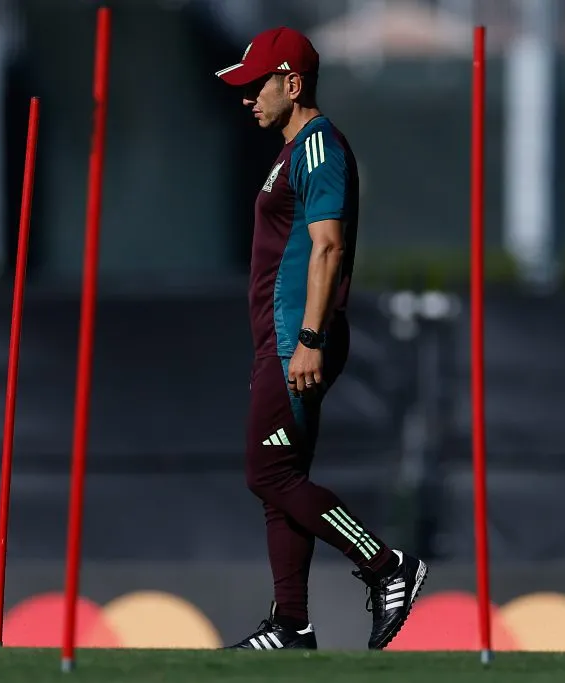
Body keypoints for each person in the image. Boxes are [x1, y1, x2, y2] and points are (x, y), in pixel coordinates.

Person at [214, 26, 427, 651]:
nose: (247, 97)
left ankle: (388, 566)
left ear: (293, 82)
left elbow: (328, 245)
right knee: (283, 481)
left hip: (294, 340)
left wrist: (309, 336)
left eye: (258, 85)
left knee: (267, 472)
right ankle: (291, 624)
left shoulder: (317, 145)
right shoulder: (287, 153)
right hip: (276, 340)